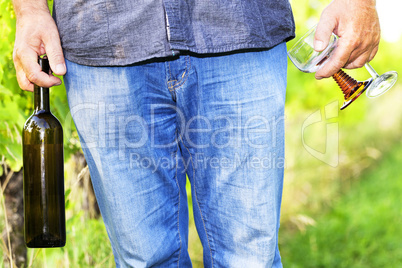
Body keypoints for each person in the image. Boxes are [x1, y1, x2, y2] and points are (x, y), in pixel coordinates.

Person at [12, 0, 380, 267]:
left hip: (240, 27)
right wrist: (29, 10)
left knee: (249, 258)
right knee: (145, 260)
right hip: (104, 37)